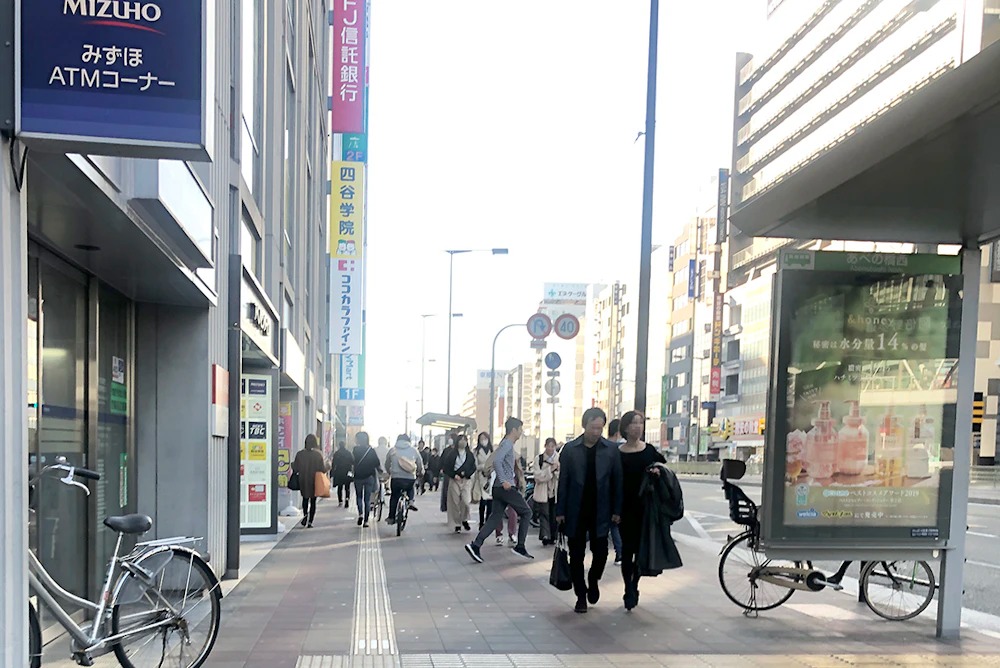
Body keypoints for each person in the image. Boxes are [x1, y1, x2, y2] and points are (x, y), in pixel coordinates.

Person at [555, 407, 623, 613]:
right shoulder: (570, 449)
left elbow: (617, 481)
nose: (596, 432)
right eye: (593, 428)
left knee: (601, 553)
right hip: (576, 509)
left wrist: (617, 509)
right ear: (584, 426)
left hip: (602, 510)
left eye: (600, 428)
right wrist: (560, 511)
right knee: (576, 555)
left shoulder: (611, 450)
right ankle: (581, 595)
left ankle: (593, 580)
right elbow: (563, 481)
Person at [465, 417, 534, 563]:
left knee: (495, 517)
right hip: (505, 487)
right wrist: (504, 481)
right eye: (520, 430)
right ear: (514, 430)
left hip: (498, 488)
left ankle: (476, 545)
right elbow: (497, 461)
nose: (521, 433)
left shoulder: (506, 443)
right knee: (527, 512)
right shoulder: (507, 443)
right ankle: (520, 546)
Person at [616, 410, 666, 611]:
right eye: (634, 423)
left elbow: (664, 470)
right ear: (625, 427)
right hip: (624, 509)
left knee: (640, 550)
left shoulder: (650, 451)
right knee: (627, 551)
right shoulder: (617, 453)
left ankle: (634, 584)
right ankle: (628, 587)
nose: (638, 426)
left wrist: (657, 472)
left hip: (646, 509)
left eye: (641, 423)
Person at [291, 434, 329, 528]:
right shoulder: (318, 454)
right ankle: (310, 521)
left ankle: (305, 515)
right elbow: (323, 469)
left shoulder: (300, 454)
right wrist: (328, 465)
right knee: (313, 501)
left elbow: (295, 468)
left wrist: (293, 465)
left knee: (305, 498)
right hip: (314, 480)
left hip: (303, 479)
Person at [385, 434, 423, 525]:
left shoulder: (392, 450)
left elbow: (387, 463)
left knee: (394, 496)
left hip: (396, 478)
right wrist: (420, 472)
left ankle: (391, 517)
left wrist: (389, 472)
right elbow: (419, 463)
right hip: (410, 477)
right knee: (410, 487)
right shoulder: (414, 450)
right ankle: (411, 501)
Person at [442, 433, 476, 533]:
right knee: (455, 502)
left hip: (466, 480)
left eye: (465, 440)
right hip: (454, 480)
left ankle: (464, 518)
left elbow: (473, 467)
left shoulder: (469, 454)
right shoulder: (451, 454)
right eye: (461, 440)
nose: (463, 442)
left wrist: (467, 474)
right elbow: (446, 468)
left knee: (466, 501)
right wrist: (453, 475)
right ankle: (457, 523)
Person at [533, 437, 560, 545]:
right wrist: (550, 470)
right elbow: (538, 477)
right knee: (544, 514)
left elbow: (562, 475)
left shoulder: (559, 459)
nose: (550, 448)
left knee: (554, 515)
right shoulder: (539, 459)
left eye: (552, 446)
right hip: (542, 491)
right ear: (545, 446)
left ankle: (553, 536)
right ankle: (545, 536)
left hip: (555, 491)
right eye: (548, 446)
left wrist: (556, 471)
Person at [352, 431, 382, 527]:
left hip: (358, 477)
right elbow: (377, 463)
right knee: (367, 499)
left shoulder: (355, 450)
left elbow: (352, 462)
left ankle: (360, 514)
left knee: (359, 497)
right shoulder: (371, 450)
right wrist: (380, 470)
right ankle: (366, 521)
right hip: (369, 477)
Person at [607, 418, 625, 566]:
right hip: (617, 492)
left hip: (604, 492)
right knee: (615, 525)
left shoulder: (603, 445)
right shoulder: (620, 447)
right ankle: (620, 553)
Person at [472, 432, 494, 529]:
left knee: (490, 500)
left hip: (491, 477)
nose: (484, 440)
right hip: (481, 476)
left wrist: (490, 470)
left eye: (485, 438)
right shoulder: (476, 451)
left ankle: (488, 521)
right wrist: (483, 467)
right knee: (483, 500)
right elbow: (475, 465)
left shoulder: (492, 450)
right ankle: (481, 522)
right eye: (481, 438)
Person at [331, 440, 354, 508]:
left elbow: (333, 464)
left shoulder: (337, 453)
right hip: (347, 472)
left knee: (340, 487)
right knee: (347, 487)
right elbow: (353, 462)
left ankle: (340, 501)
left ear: (339, 446)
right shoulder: (348, 453)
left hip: (339, 472)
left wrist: (332, 473)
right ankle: (347, 500)